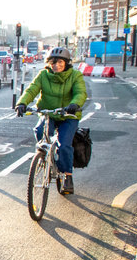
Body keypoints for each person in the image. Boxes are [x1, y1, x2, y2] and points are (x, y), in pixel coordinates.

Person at [15, 46, 87, 196]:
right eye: (53, 62)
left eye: (60, 62)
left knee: (64, 144)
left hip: (68, 116)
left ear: (66, 63)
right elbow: (31, 89)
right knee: (39, 130)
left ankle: (67, 175)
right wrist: (22, 103)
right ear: (49, 63)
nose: (56, 65)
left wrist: (75, 104)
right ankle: (44, 155)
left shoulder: (75, 76)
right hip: (49, 113)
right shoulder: (43, 75)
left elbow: (80, 92)